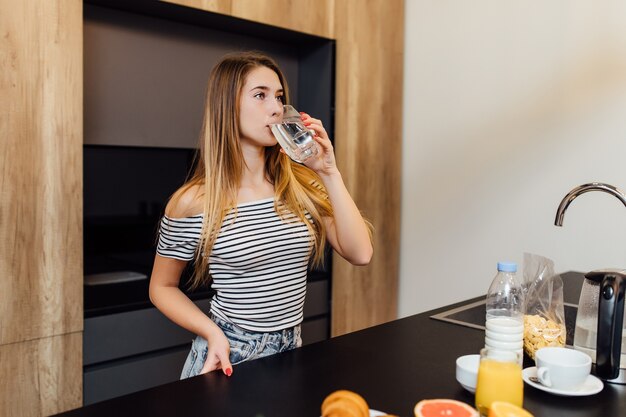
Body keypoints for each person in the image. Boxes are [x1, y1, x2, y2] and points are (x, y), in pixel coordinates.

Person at [149, 51, 373, 379]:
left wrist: (329, 172)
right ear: (227, 107)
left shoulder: (303, 185)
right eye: (260, 95)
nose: (276, 108)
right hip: (229, 353)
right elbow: (162, 286)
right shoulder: (193, 202)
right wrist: (211, 332)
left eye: (280, 97)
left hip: (291, 350)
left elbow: (361, 253)